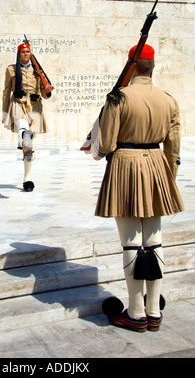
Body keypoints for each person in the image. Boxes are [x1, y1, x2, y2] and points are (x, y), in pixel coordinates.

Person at [94, 44, 184, 332]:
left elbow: (106, 145)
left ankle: (134, 313)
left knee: (131, 242)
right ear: (153, 66)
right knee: (154, 240)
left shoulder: (119, 98)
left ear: (132, 66)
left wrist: (94, 148)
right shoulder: (168, 100)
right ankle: (154, 310)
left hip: (125, 166)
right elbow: (173, 147)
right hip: (157, 165)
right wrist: (168, 177)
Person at [2, 42, 52, 191]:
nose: (26, 54)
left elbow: (44, 92)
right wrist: (5, 113)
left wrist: (48, 91)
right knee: (23, 129)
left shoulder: (38, 70)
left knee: (30, 147)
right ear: (19, 54)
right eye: (23, 52)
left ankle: (27, 179)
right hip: (18, 102)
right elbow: (6, 91)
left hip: (35, 106)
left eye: (28, 51)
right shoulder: (11, 70)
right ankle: (22, 137)